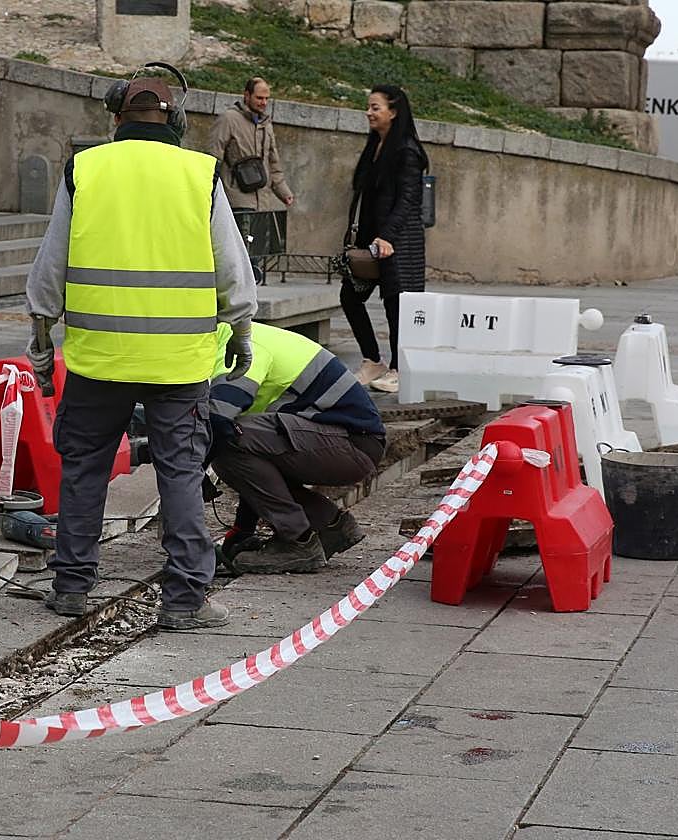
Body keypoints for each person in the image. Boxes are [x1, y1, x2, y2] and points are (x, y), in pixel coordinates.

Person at [25, 73, 259, 631]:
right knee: (180, 473)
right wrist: (242, 332)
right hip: (178, 363)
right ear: (176, 121)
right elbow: (232, 268)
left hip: (98, 358)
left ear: (115, 119)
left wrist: (40, 342)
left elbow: (50, 267)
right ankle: (185, 600)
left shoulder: (86, 170)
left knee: (84, 468)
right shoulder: (199, 173)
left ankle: (71, 587)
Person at [209, 321, 385, 574]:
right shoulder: (241, 333)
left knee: (228, 441)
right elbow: (251, 467)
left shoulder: (241, 347)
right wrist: (242, 531)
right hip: (344, 442)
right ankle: (328, 524)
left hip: (349, 444)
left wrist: (188, 465)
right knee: (238, 444)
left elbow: (219, 424)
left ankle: (297, 542)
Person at [341, 84, 430, 394]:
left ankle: (399, 368)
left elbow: (408, 200)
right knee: (350, 297)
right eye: (369, 106)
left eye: (375, 107)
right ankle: (372, 360)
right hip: (370, 243)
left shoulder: (407, 151)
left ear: (393, 112)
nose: (369, 112)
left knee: (398, 308)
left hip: (398, 243)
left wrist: (388, 237)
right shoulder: (375, 146)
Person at [209, 77, 295, 214]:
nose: (264, 103)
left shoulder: (266, 124)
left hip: (262, 202)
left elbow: (273, 162)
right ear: (247, 95)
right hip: (236, 199)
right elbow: (213, 157)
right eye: (259, 98)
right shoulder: (228, 119)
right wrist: (212, 193)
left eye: (267, 99)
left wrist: (283, 192)